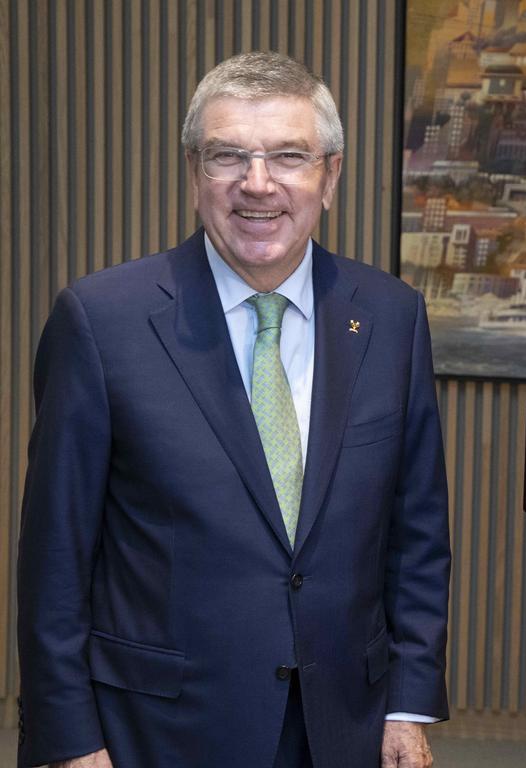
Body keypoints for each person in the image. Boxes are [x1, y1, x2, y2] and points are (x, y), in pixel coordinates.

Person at [17, 51, 450, 768]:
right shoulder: (101, 321)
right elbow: (55, 559)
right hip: (155, 736)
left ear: (330, 176)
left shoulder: (391, 317)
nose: (258, 184)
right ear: (195, 175)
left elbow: (417, 532)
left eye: (288, 156)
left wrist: (407, 704)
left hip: (343, 727)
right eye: (228, 157)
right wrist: (69, 741)